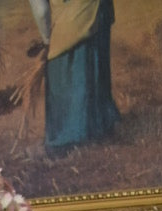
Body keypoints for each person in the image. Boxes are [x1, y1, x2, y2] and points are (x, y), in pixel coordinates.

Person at [43, 0, 119, 151]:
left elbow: (40, 11)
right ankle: (99, 125)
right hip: (98, 12)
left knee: (68, 62)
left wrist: (46, 39)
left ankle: (70, 136)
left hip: (81, 16)